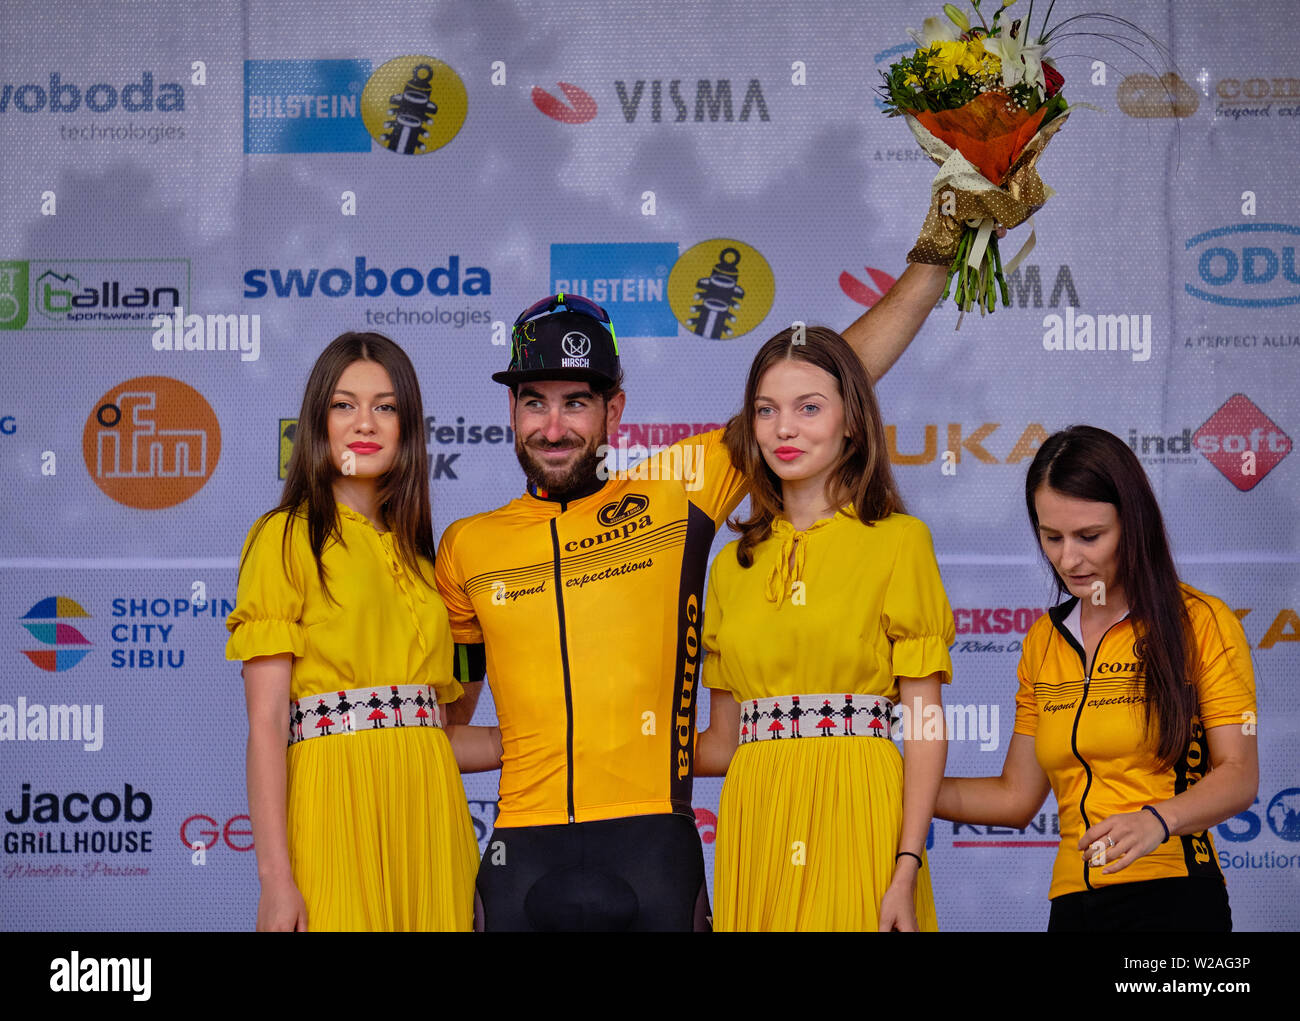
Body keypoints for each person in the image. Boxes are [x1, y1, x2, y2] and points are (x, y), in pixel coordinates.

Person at [437, 261, 953, 931]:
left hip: (652, 851)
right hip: (521, 852)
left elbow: (829, 378)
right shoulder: (465, 547)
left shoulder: (677, 490)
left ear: (613, 410)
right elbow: (448, 721)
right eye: (534, 400)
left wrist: (937, 258)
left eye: (577, 401)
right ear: (511, 409)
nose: (553, 425)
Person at [934, 425, 1258, 931]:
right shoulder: (1043, 640)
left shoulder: (1201, 621)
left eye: (1090, 536)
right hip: (1071, 907)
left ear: (1134, 524)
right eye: (1052, 537)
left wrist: (1158, 820)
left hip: (1174, 899)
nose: (1068, 559)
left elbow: (1239, 774)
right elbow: (1015, 798)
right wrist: (897, 786)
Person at [693, 326, 955, 931]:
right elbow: (721, 744)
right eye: (766, 411)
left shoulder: (899, 542)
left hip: (859, 805)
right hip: (754, 817)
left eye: (809, 408)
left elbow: (923, 725)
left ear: (852, 421)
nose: (784, 429)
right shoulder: (731, 566)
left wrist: (905, 868)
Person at [227, 331, 480, 931]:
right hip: (332, 806)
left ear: (408, 427)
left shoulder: (424, 559)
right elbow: (265, 725)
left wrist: (550, 737)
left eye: (385, 406)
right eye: (344, 404)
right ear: (318, 422)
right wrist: (275, 881)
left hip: (430, 814)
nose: (364, 422)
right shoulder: (286, 537)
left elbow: (438, 730)